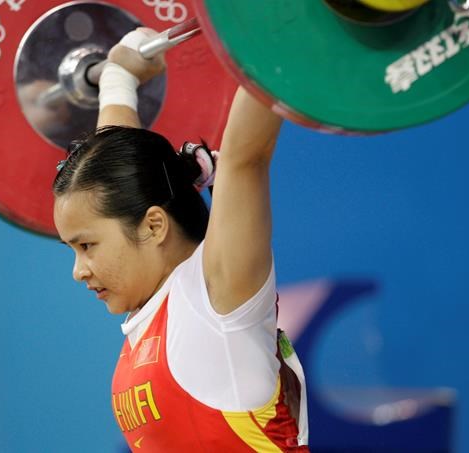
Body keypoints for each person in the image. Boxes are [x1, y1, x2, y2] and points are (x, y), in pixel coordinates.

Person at [53, 28, 309, 452]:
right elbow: (118, 173)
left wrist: (283, 25)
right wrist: (118, 79)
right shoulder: (153, 311)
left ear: (154, 226)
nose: (79, 271)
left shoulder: (217, 300)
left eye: (86, 246)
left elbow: (245, 158)